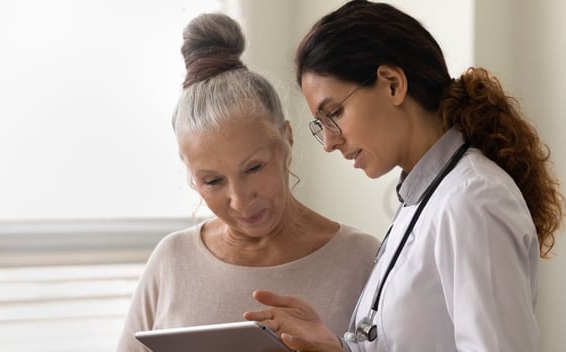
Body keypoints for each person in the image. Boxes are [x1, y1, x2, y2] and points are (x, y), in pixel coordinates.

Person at [243, 1, 566, 351]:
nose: (329, 142)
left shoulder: (472, 199)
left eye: (334, 112)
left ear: (393, 84)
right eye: (320, 125)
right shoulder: (429, 197)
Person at [116, 12, 381, 352]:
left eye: (254, 168)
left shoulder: (362, 259)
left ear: (286, 139)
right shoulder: (171, 261)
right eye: (212, 181)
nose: (240, 201)